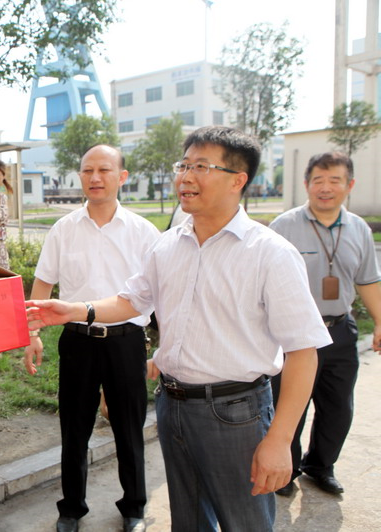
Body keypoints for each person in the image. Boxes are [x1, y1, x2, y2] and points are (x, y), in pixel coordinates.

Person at [26, 126, 332, 531]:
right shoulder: (168, 246)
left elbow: (303, 350)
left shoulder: (270, 253)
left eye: (201, 166)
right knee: (188, 521)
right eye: (183, 165)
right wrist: (74, 310)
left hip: (236, 414)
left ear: (237, 180)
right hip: (173, 406)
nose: (185, 177)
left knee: (244, 522)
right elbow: (131, 302)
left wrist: (279, 440)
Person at [25, 145, 159, 532]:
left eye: (104, 170)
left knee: (129, 428)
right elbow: (43, 285)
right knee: (75, 429)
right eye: (87, 171)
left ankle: (134, 506)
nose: (95, 178)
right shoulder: (64, 229)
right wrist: (32, 332)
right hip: (78, 342)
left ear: (122, 176)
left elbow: (159, 294)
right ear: (79, 176)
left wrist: (163, 349)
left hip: (127, 342)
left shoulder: (143, 232)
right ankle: (71, 509)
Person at [269, 151, 381, 497]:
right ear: (306, 184)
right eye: (318, 180)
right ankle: (284, 470)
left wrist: (379, 322)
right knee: (290, 405)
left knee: (337, 406)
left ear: (349, 185)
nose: (326, 188)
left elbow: (368, 281)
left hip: (339, 330)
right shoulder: (284, 226)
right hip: (294, 334)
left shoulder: (359, 229)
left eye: (335, 180)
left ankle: (320, 466)